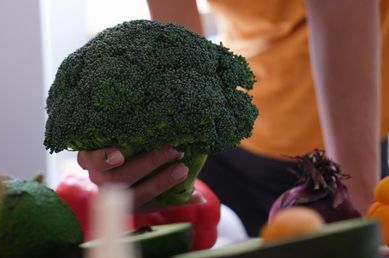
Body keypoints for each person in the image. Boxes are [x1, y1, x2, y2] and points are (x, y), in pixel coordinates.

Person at [76, 0, 389, 237]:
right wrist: (156, 158)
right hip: (242, 139)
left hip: (368, 145)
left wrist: (359, 198)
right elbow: (182, 52)